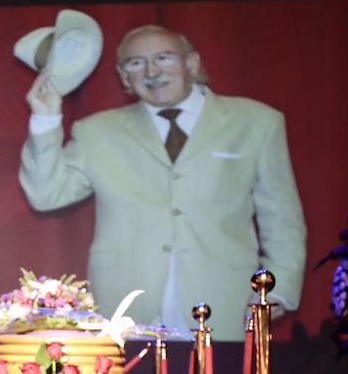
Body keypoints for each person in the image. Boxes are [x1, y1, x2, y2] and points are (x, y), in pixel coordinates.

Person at [19, 24, 307, 341]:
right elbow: (46, 195)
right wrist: (45, 119)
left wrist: (277, 288)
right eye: (136, 63)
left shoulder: (257, 122)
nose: (152, 71)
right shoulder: (97, 132)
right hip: (126, 309)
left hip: (226, 303)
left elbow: (281, 216)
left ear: (192, 64)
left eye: (164, 58)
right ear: (124, 77)